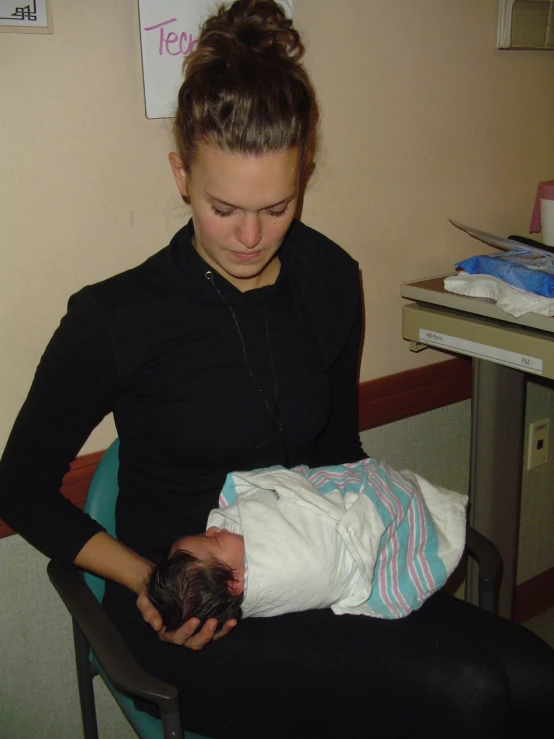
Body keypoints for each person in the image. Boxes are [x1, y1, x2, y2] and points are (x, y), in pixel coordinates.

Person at [0, 0, 553, 736]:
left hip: (310, 569)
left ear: (305, 175)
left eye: (279, 206)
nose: (251, 237)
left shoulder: (327, 279)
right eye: (224, 207)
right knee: (469, 695)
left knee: (537, 678)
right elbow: (20, 486)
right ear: (180, 175)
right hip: (195, 612)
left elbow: (336, 455)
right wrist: (147, 580)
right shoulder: (116, 318)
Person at [147, 458, 468, 630]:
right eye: (212, 539)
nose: (214, 526)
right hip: (351, 541)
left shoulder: (233, 557)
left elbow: (280, 492)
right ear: (234, 584)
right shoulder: (284, 568)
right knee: (395, 498)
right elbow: (325, 561)